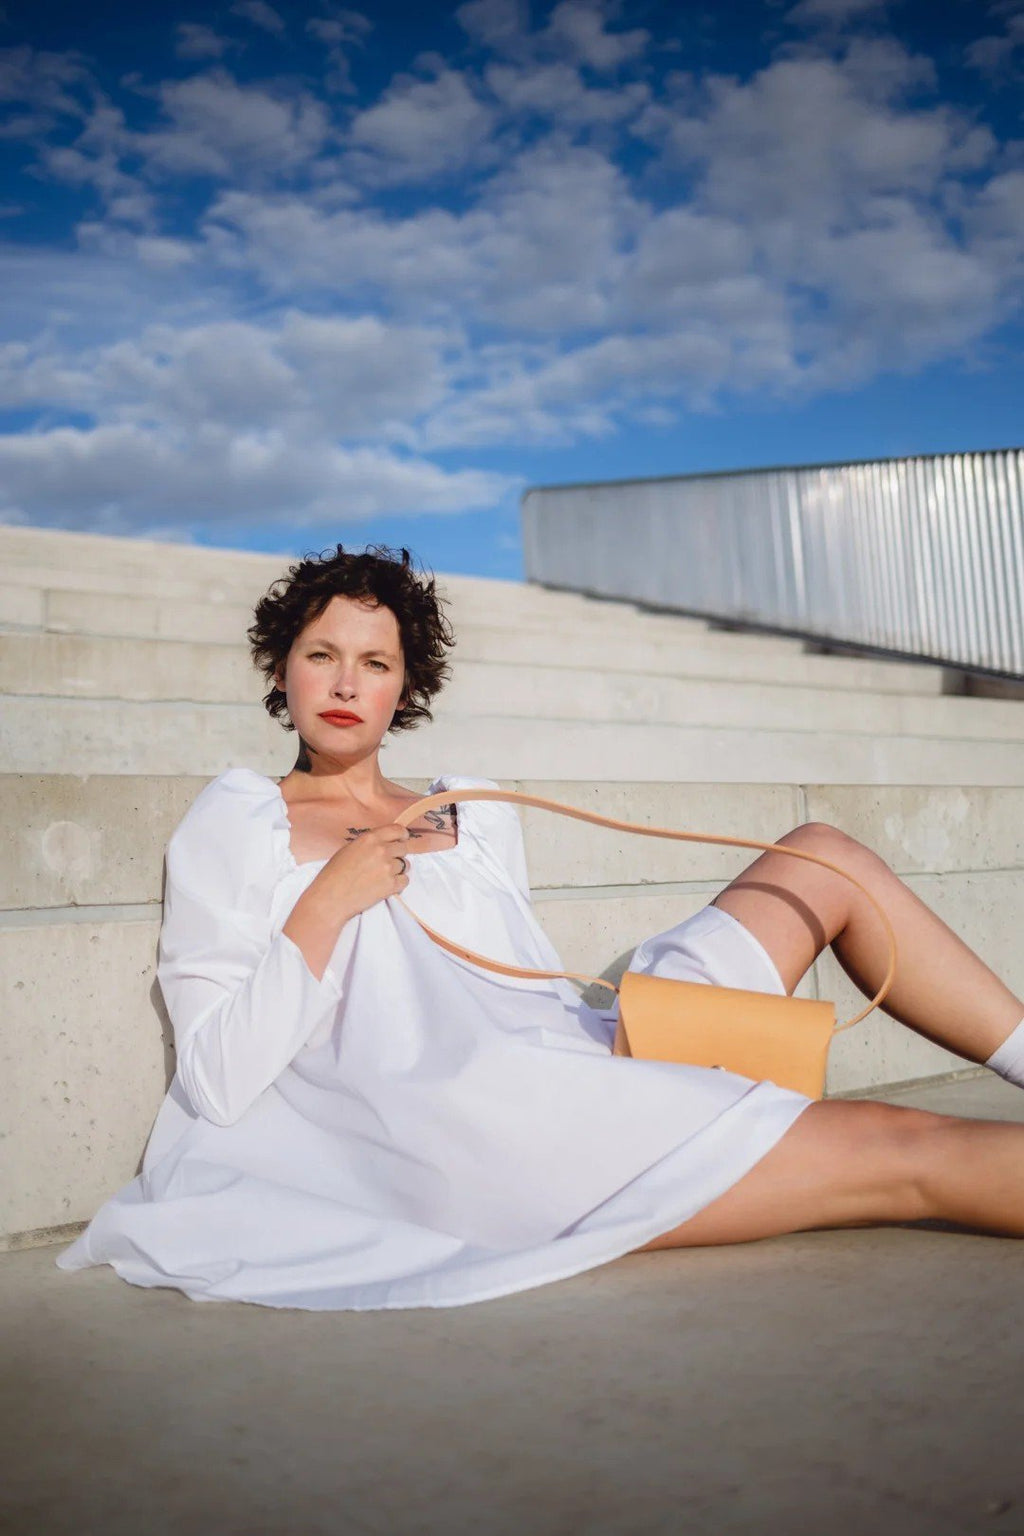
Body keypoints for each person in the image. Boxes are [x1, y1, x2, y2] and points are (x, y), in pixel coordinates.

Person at [55, 544, 1024, 1311]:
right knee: (902, 1149)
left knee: (825, 855)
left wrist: (638, 1044)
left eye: (374, 661)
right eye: (321, 655)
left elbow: (524, 990)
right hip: (479, 1121)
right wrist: (328, 899)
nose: (346, 683)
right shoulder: (239, 819)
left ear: (404, 686)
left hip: (576, 1048)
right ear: (283, 670)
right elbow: (216, 1077)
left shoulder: (475, 810)